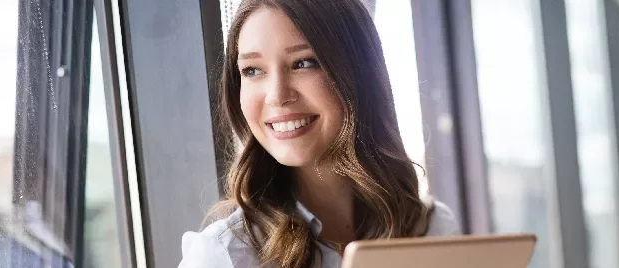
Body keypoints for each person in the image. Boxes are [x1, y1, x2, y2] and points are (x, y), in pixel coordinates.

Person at [179, 0, 460, 267]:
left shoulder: (432, 228)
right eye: (252, 70)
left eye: (303, 63)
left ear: (358, 73)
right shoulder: (224, 256)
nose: (277, 96)